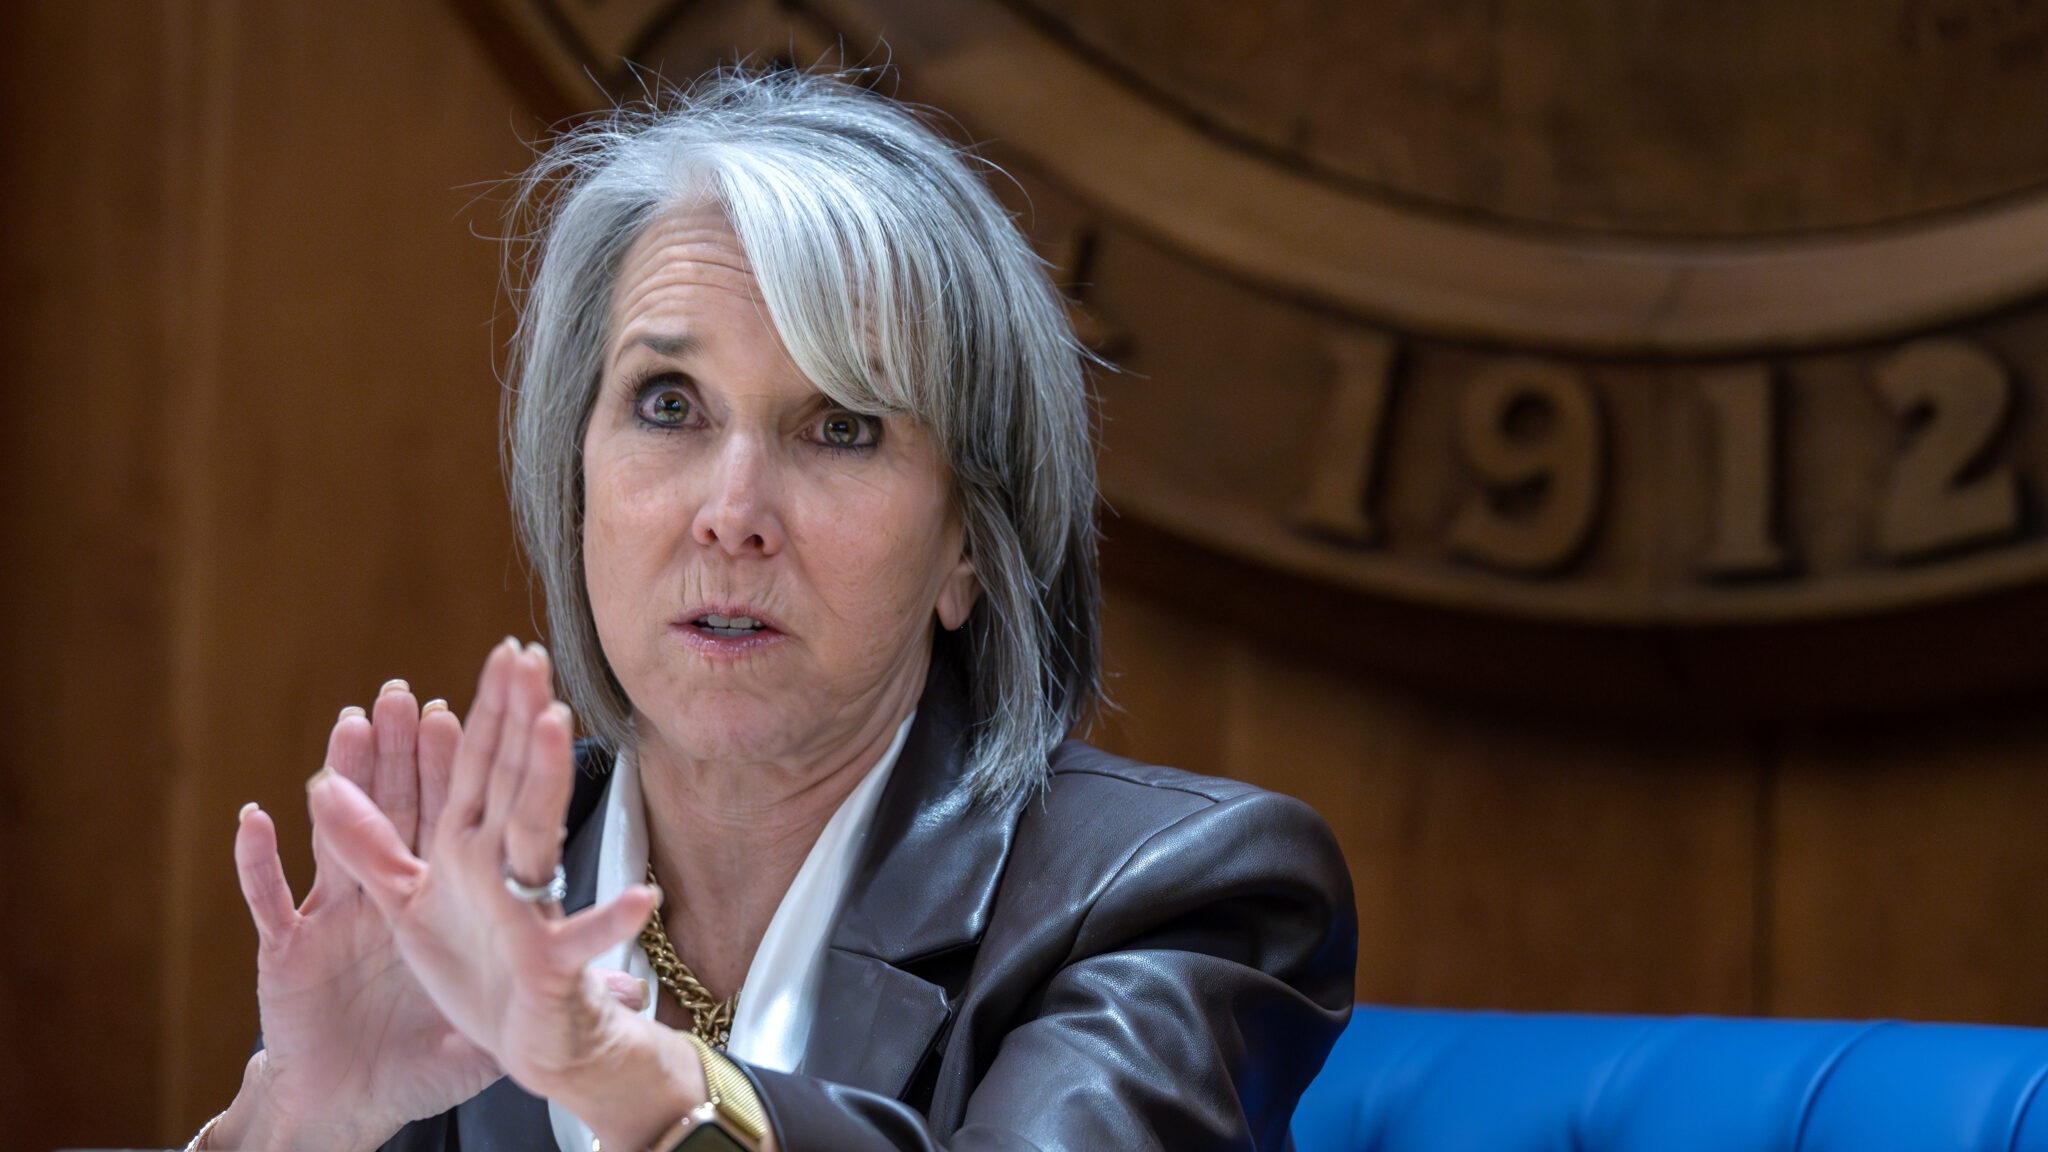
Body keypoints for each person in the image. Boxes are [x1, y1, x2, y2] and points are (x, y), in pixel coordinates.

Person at [195, 69, 1356, 1152]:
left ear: (969, 546)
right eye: (667, 404)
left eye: (840, 425)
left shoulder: (1175, 895)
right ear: (576, 486)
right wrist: (299, 1124)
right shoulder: (452, 911)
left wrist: (623, 1075)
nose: (731, 511)